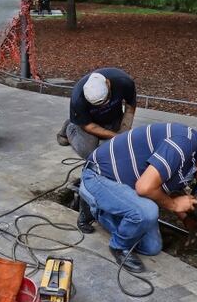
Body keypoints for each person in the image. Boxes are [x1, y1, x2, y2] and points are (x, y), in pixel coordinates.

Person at [78, 123, 197, 273]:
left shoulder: (195, 157)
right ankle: (117, 244)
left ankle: (100, 211)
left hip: (124, 188)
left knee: (152, 247)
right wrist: (173, 205)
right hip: (98, 177)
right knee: (147, 211)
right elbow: (145, 187)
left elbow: (170, 189)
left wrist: (190, 222)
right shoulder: (183, 143)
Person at [57, 68, 137, 232]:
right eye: (98, 104)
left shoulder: (123, 82)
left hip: (113, 120)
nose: (104, 105)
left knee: (117, 152)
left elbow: (130, 108)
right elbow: (89, 126)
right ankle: (69, 127)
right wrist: (112, 136)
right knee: (91, 154)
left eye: (105, 100)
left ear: (108, 84)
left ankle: (108, 131)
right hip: (86, 124)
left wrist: (123, 133)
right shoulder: (78, 97)